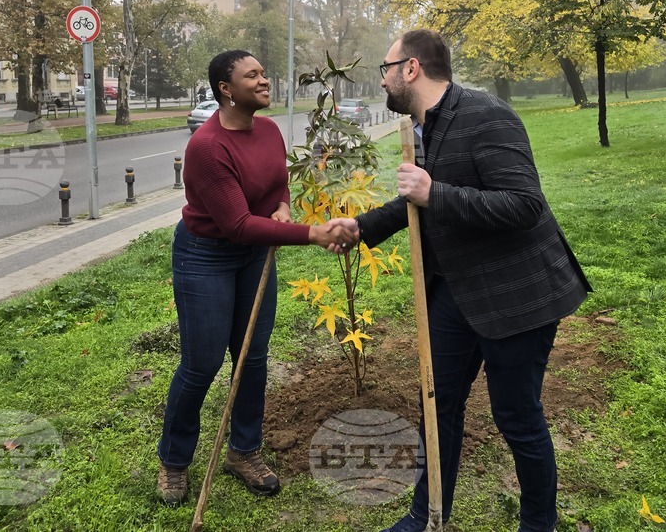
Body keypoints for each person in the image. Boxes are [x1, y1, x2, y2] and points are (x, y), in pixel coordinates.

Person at [335, 29, 590, 532]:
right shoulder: (426, 124)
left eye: (385, 68)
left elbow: (523, 204)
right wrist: (362, 228)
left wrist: (434, 193)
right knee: (437, 404)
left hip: (516, 296)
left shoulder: (485, 114)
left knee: (517, 417)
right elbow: (418, 199)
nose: (382, 79)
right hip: (456, 291)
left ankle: (540, 524)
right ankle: (427, 515)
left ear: (411, 69)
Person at [156, 50, 355, 505]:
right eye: (253, 75)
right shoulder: (207, 147)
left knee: (252, 359)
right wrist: (311, 233)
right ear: (226, 89)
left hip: (254, 257)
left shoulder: (267, 130)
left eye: (264, 73)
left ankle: (243, 452)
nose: (265, 81)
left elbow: (277, 183)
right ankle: (174, 461)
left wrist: (284, 205)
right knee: (201, 365)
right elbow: (237, 225)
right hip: (206, 256)